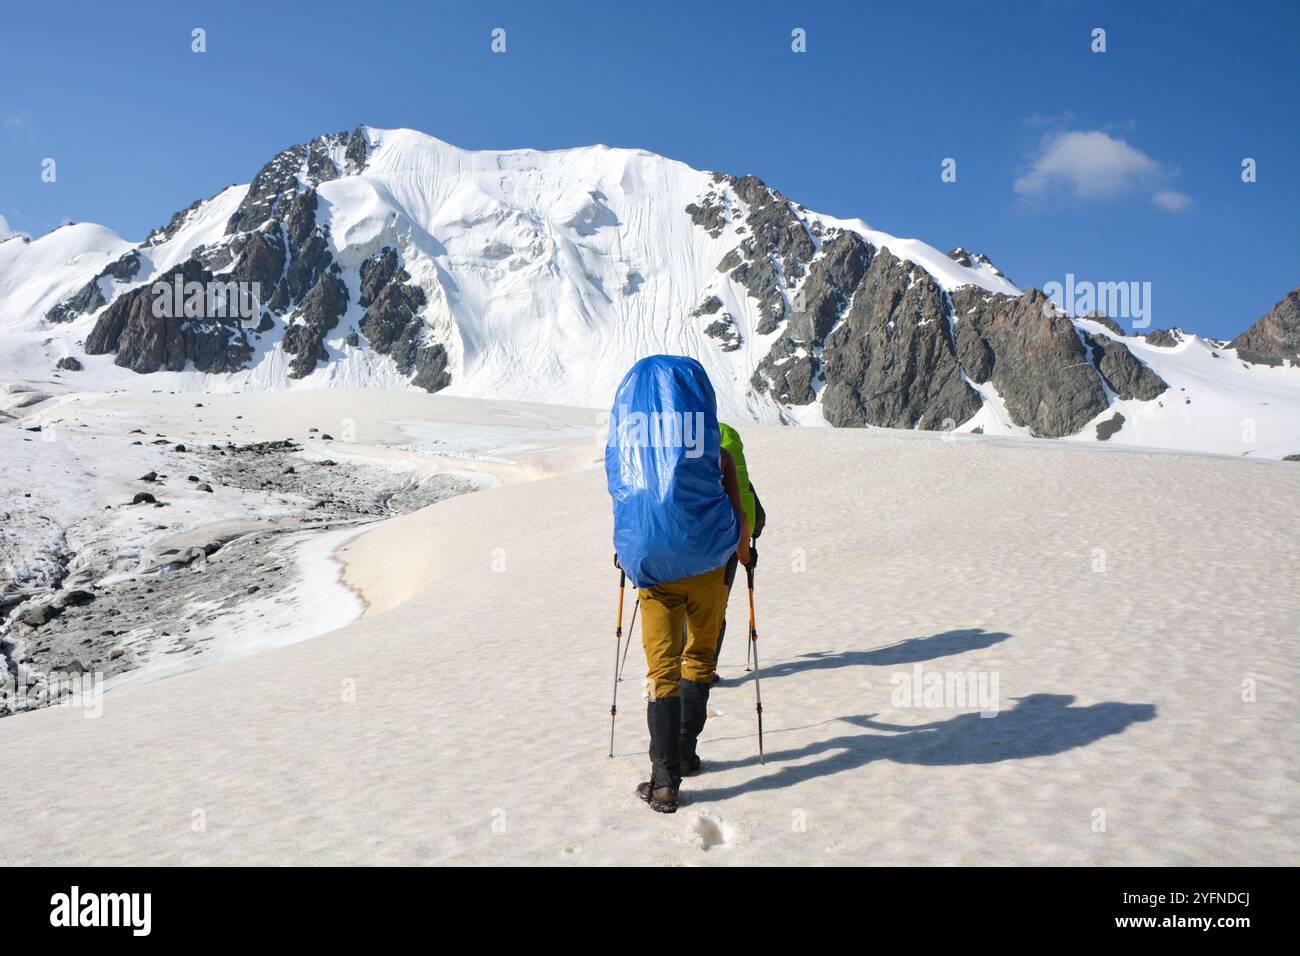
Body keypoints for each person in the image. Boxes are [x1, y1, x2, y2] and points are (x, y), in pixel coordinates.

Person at [606, 356, 750, 814]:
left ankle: (665, 782)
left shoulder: (633, 449)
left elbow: (621, 492)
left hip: (655, 570)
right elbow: (737, 506)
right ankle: (686, 753)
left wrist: (627, 549)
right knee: (700, 657)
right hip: (709, 564)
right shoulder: (715, 450)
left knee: (662, 669)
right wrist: (739, 546)